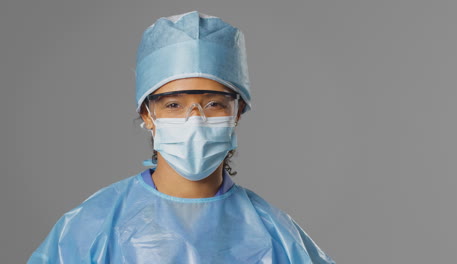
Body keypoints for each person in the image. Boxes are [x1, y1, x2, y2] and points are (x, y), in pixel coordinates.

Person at [27, 10, 336, 263]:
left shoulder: (277, 236)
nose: (195, 120)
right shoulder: (91, 229)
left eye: (214, 104)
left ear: (238, 111)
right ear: (147, 114)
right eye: (174, 104)